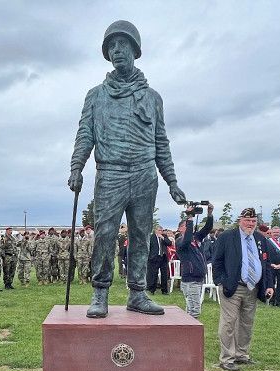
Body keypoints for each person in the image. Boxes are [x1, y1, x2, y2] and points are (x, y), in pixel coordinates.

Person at [67, 20, 187, 318]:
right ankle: (100, 292)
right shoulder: (96, 95)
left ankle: (137, 292)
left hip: (145, 174)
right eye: (112, 46)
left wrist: (171, 181)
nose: (117, 50)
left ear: (135, 50)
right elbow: (85, 133)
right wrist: (76, 166)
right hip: (111, 173)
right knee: (105, 234)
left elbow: (161, 141)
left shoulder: (152, 97)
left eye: (123, 45)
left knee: (142, 234)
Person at [211, 208, 274, 371]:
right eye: (247, 221)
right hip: (232, 287)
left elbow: (265, 264)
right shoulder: (227, 237)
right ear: (240, 220)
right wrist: (221, 281)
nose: (251, 224)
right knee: (229, 323)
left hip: (252, 288)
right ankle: (227, 358)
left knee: (247, 323)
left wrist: (269, 285)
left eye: (253, 221)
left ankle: (242, 354)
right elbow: (216, 261)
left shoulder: (260, 239)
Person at [176, 203, 214, 318]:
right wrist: (190, 218)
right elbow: (187, 240)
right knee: (194, 310)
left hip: (198, 278)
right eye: (186, 226)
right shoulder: (179, 241)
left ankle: (188, 330)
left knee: (191, 309)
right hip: (190, 279)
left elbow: (207, 228)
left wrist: (210, 214)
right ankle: (191, 332)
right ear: (180, 228)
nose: (189, 228)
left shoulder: (195, 238)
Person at [147, 226, 172, 295]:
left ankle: (164, 290)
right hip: (154, 258)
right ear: (155, 230)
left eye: (161, 230)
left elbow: (169, 243)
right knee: (153, 274)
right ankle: (151, 289)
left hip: (163, 258)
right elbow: (148, 247)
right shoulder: (151, 237)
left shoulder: (164, 236)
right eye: (159, 230)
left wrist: (163, 238)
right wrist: (149, 257)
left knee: (164, 274)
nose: (160, 231)